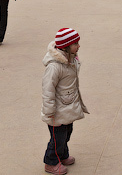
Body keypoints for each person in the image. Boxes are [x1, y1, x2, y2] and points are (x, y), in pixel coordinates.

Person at [42, 28, 88, 175]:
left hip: (67, 105)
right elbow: (48, 89)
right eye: (75, 44)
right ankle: (51, 162)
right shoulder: (54, 66)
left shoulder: (71, 58)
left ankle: (62, 155)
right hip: (56, 110)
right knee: (57, 138)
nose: (78, 46)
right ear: (66, 47)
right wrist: (49, 110)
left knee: (67, 133)